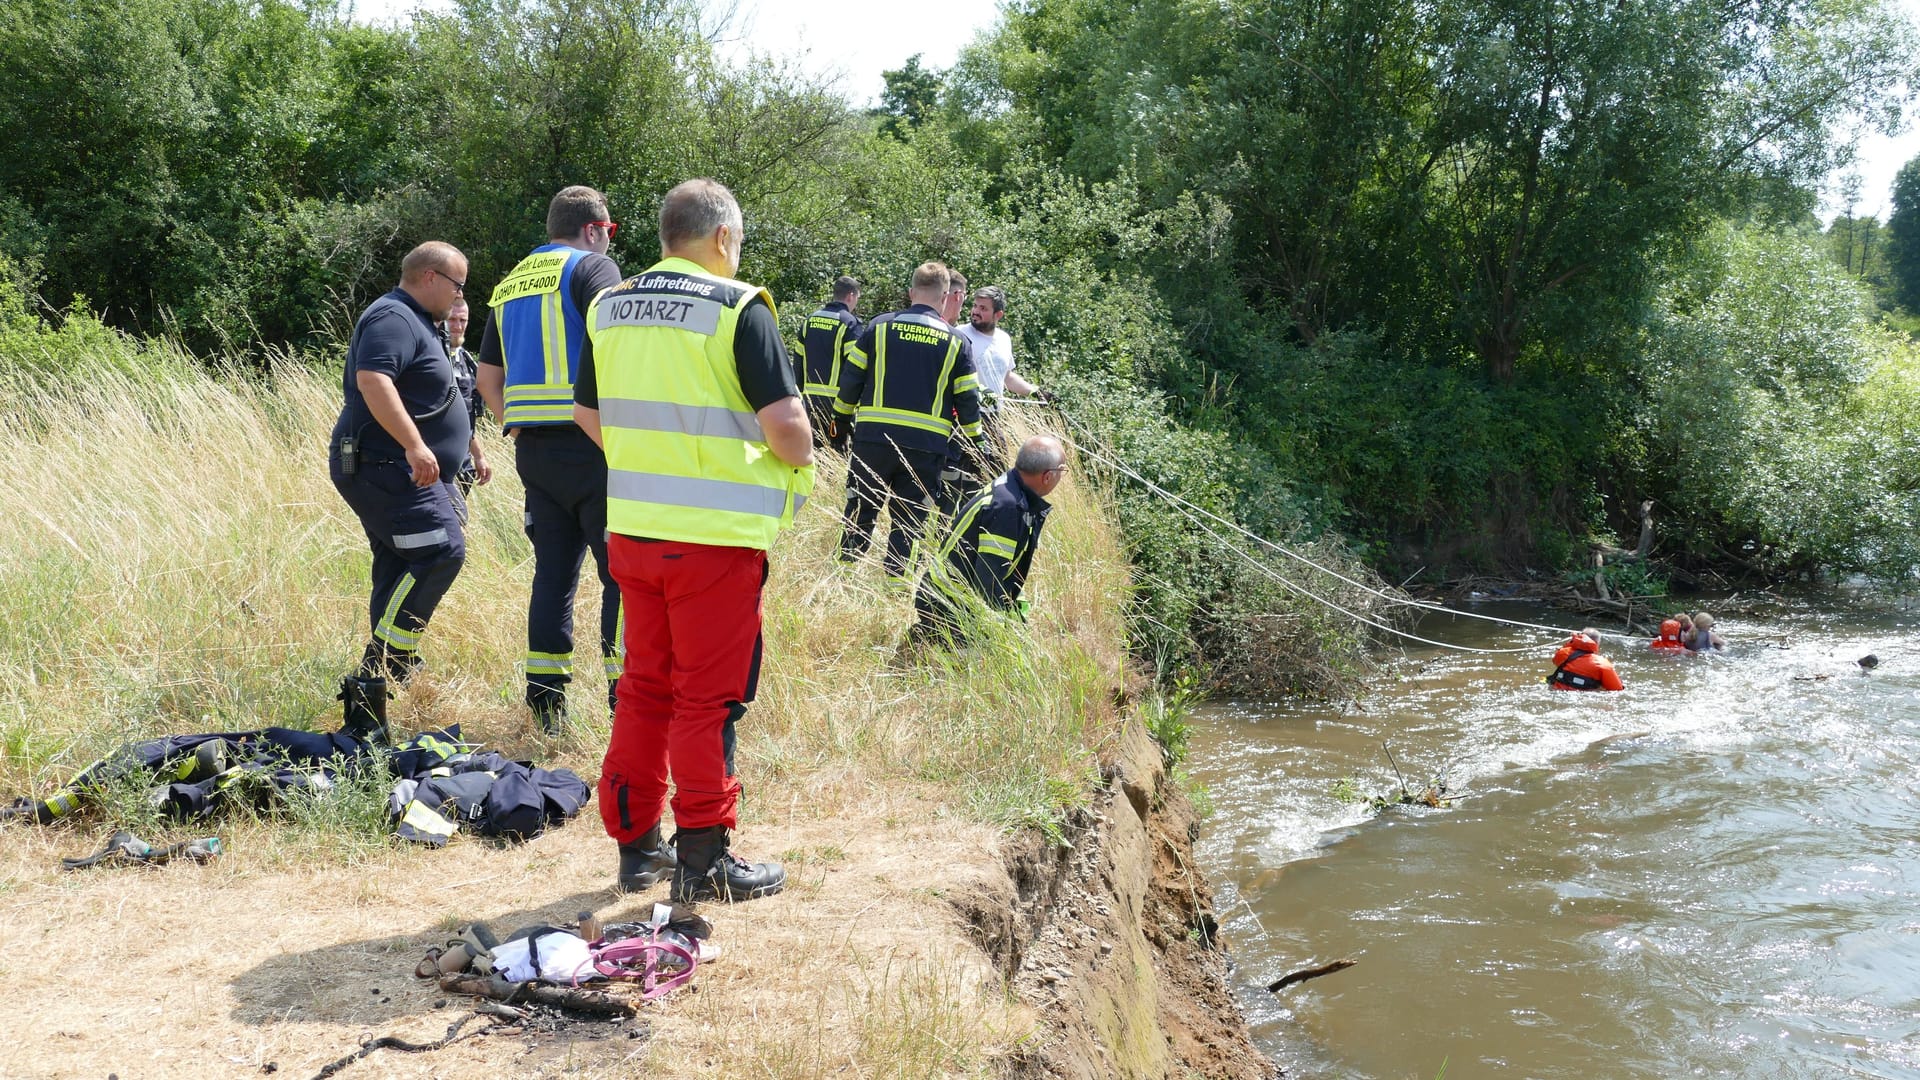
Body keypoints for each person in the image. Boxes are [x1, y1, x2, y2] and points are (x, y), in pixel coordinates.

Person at [574, 177, 814, 903]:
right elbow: (791, 437)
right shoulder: (737, 307)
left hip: (635, 534)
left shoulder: (609, 306)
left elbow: (588, 415)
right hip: (713, 544)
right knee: (706, 703)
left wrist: (657, 459)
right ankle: (705, 860)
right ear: (721, 238)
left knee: (645, 690)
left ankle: (635, 847)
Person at [476, 186, 627, 731]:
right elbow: (620, 346)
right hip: (596, 448)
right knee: (624, 577)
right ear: (593, 229)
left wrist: (512, 419)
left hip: (535, 453)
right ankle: (624, 697)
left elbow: (486, 378)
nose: (610, 243)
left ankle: (545, 705)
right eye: (610, 233)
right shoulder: (592, 270)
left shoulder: (512, 281)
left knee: (553, 576)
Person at [328, 241, 473, 742]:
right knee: (441, 551)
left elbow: (439, 394)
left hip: (396, 468)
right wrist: (415, 447)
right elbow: (373, 380)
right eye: (457, 285)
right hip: (386, 467)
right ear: (430, 277)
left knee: (397, 567)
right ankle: (383, 664)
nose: (460, 298)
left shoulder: (420, 323)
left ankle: (378, 693)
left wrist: (468, 446)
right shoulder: (393, 317)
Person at [832, 261, 985, 582]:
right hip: (924, 450)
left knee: (860, 511)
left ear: (911, 292)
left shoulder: (878, 328)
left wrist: (840, 425)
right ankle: (895, 587)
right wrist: (978, 444)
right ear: (945, 297)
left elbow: (850, 383)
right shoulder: (957, 342)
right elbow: (969, 403)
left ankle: (842, 581)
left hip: (872, 442)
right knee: (910, 523)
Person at [912, 435, 1067, 646]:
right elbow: (989, 581)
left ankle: (928, 637)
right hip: (947, 605)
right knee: (980, 665)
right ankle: (930, 639)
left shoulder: (1010, 487)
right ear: (1048, 476)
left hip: (944, 596)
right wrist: (997, 637)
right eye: (1062, 471)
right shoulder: (1008, 508)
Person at [941, 284, 1043, 519]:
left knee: (994, 479)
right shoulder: (960, 334)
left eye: (983, 308)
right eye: (975, 305)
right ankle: (943, 532)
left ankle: (980, 529)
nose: (975, 311)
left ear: (998, 315)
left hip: (993, 420)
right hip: (961, 420)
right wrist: (978, 391)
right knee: (953, 484)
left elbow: (1007, 377)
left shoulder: (1004, 340)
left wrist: (1035, 392)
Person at [795, 275, 861, 444]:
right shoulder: (849, 324)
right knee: (836, 455)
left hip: (807, 405)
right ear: (850, 296)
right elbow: (855, 369)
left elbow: (798, 366)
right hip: (836, 407)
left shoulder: (809, 321)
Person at [442, 298, 492, 503]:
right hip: (438, 465)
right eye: (452, 319)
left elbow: (466, 420)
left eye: (463, 320)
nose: (458, 326)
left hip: (463, 466)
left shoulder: (467, 362)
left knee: (458, 524)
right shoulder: (431, 359)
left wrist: (478, 457)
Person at [1546, 629, 1624, 691]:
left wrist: (1572, 643)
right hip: (1583, 697)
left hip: (1557, 691)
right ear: (1597, 643)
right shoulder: (1603, 664)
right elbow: (1617, 689)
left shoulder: (1563, 653)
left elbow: (1556, 660)